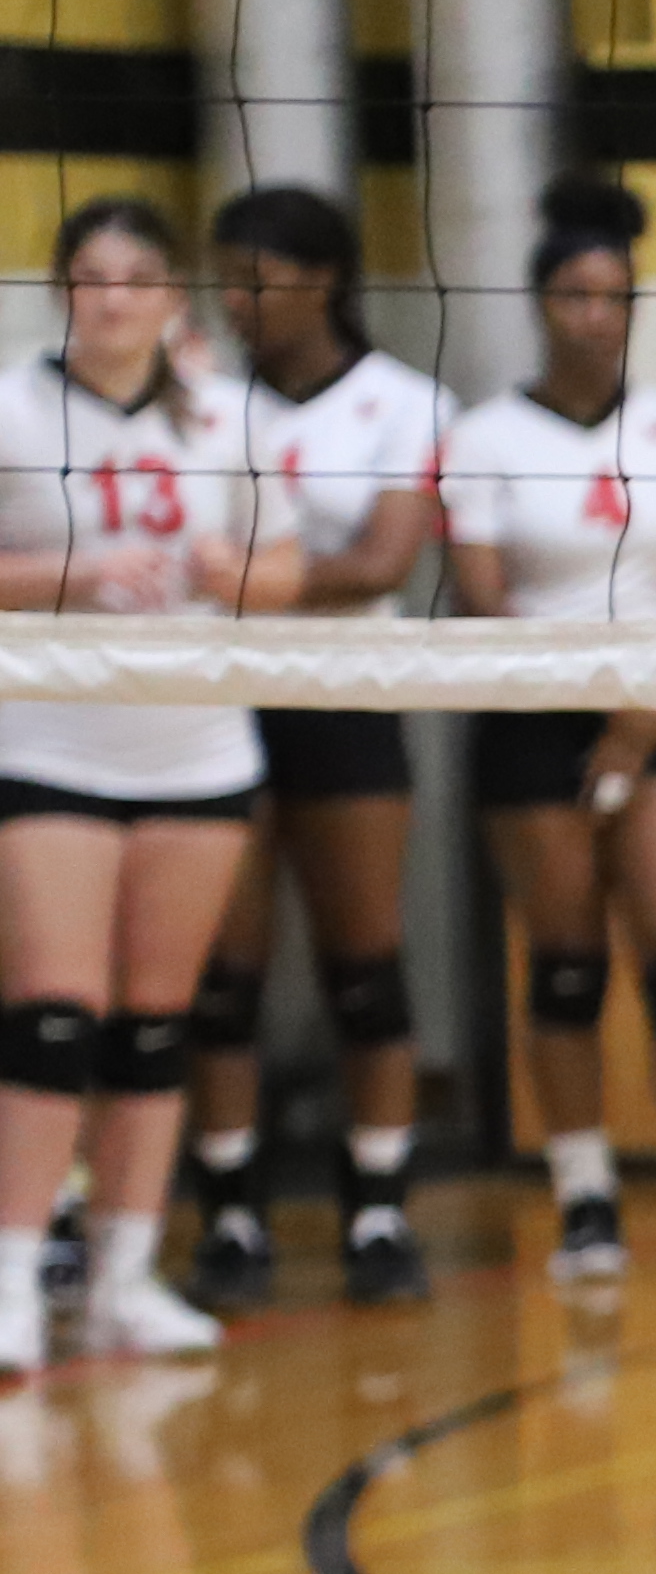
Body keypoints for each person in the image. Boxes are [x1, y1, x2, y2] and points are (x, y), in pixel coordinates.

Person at [4, 196, 307, 1376]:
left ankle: (127, 1281)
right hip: (48, 743)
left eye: (137, 276)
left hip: (196, 749)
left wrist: (243, 573)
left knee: (152, 1023)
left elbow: (284, 570)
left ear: (175, 298)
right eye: (91, 275)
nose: (114, 295)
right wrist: (64, 572)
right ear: (61, 292)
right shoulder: (14, 408)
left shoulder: (227, 418)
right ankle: (15, 1278)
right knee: (51, 1011)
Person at [448, 176, 656, 1293]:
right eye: (577, 296)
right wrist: (585, 708)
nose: (598, 316)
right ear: (542, 303)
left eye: (616, 296)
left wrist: (639, 725)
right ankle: (584, 1200)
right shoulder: (483, 436)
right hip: (531, 715)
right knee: (567, 964)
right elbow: (482, 598)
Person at [180, 180, 456, 1307]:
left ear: (324, 280)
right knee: (221, 979)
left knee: (364, 969)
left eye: (260, 278)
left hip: (345, 696)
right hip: (217, 701)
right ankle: (231, 1214)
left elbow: (385, 562)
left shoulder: (403, 401)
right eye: (226, 279)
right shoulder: (200, 403)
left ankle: (379, 1208)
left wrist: (243, 580)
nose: (237, 300)